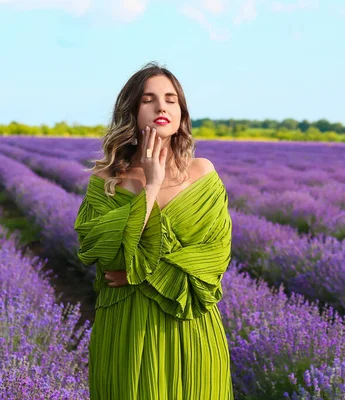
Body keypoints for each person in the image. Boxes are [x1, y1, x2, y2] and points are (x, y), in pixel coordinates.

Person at [73, 62, 234, 399]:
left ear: (181, 113)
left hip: (190, 323)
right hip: (126, 325)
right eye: (149, 99)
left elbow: (211, 260)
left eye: (171, 99)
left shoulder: (204, 174)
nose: (162, 106)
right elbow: (109, 256)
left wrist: (137, 274)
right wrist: (152, 185)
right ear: (132, 110)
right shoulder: (105, 182)